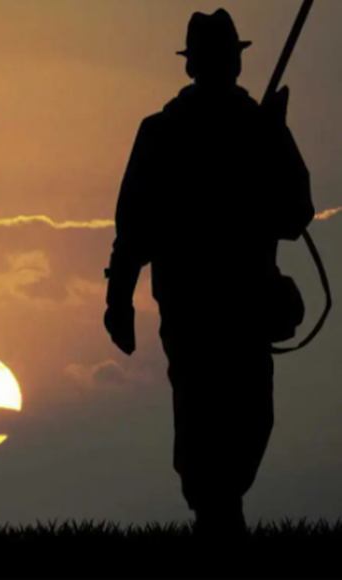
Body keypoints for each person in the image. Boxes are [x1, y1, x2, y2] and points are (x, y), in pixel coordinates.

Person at [104, 8, 314, 538]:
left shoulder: (250, 127)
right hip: (207, 304)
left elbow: (294, 214)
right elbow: (134, 227)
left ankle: (217, 511)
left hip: (222, 304)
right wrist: (118, 299)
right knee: (214, 415)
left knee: (239, 417)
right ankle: (218, 518)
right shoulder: (166, 132)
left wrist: (275, 138)